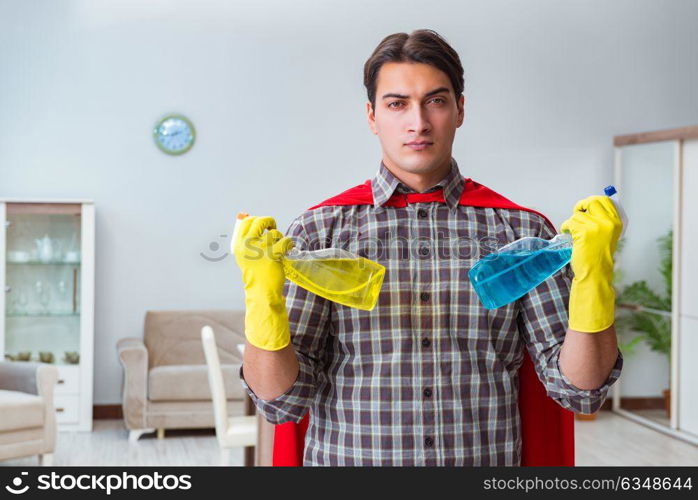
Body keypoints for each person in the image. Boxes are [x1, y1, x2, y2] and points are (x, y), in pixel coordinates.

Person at [233, 29, 623, 466]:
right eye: (396, 103)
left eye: (435, 101)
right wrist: (260, 297)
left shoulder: (521, 231)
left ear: (460, 109)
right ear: (372, 116)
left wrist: (594, 276)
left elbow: (580, 391)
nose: (417, 123)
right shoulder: (318, 232)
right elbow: (279, 404)